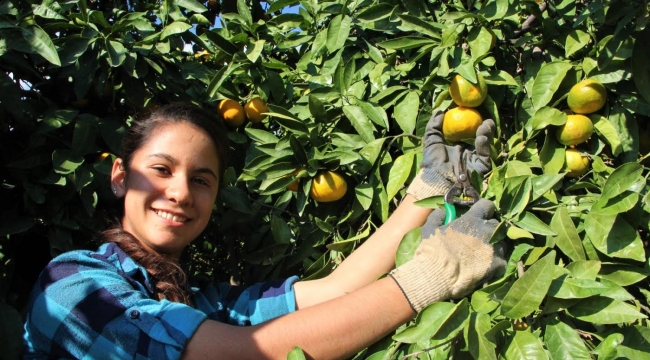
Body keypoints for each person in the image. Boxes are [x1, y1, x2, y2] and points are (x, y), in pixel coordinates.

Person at [22, 102, 505, 359]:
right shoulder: (71, 288)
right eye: (162, 169)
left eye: (201, 180)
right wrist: (432, 275)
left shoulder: (199, 301)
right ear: (120, 177)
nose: (182, 192)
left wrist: (425, 193)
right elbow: (245, 355)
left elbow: (335, 291)